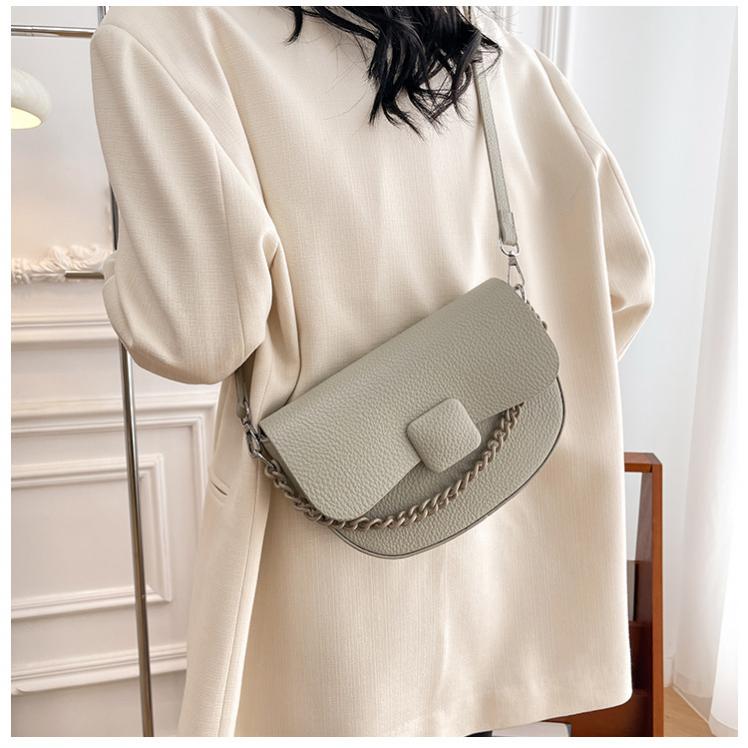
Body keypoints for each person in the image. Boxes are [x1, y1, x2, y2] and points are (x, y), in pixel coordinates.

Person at [89, 6, 655, 737]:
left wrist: (118, 275)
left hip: (332, 588)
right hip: (501, 551)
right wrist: (494, 383)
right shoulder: (512, 66)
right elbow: (624, 287)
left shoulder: (172, 34)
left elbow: (195, 334)